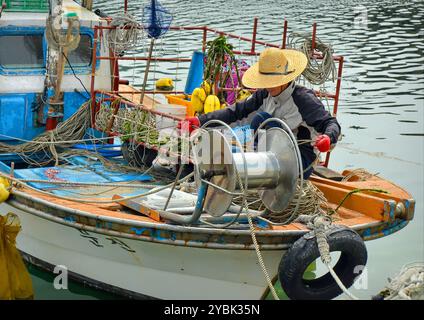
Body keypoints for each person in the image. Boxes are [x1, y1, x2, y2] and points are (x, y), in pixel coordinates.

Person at [179, 47, 341, 179]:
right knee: (260, 120)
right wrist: (201, 121)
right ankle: (255, 170)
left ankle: (258, 172)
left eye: (272, 82)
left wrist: (327, 138)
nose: (268, 86)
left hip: (299, 161)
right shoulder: (264, 95)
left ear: (285, 79)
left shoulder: (303, 99)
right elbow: (237, 112)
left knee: (268, 121)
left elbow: (331, 124)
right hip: (270, 155)